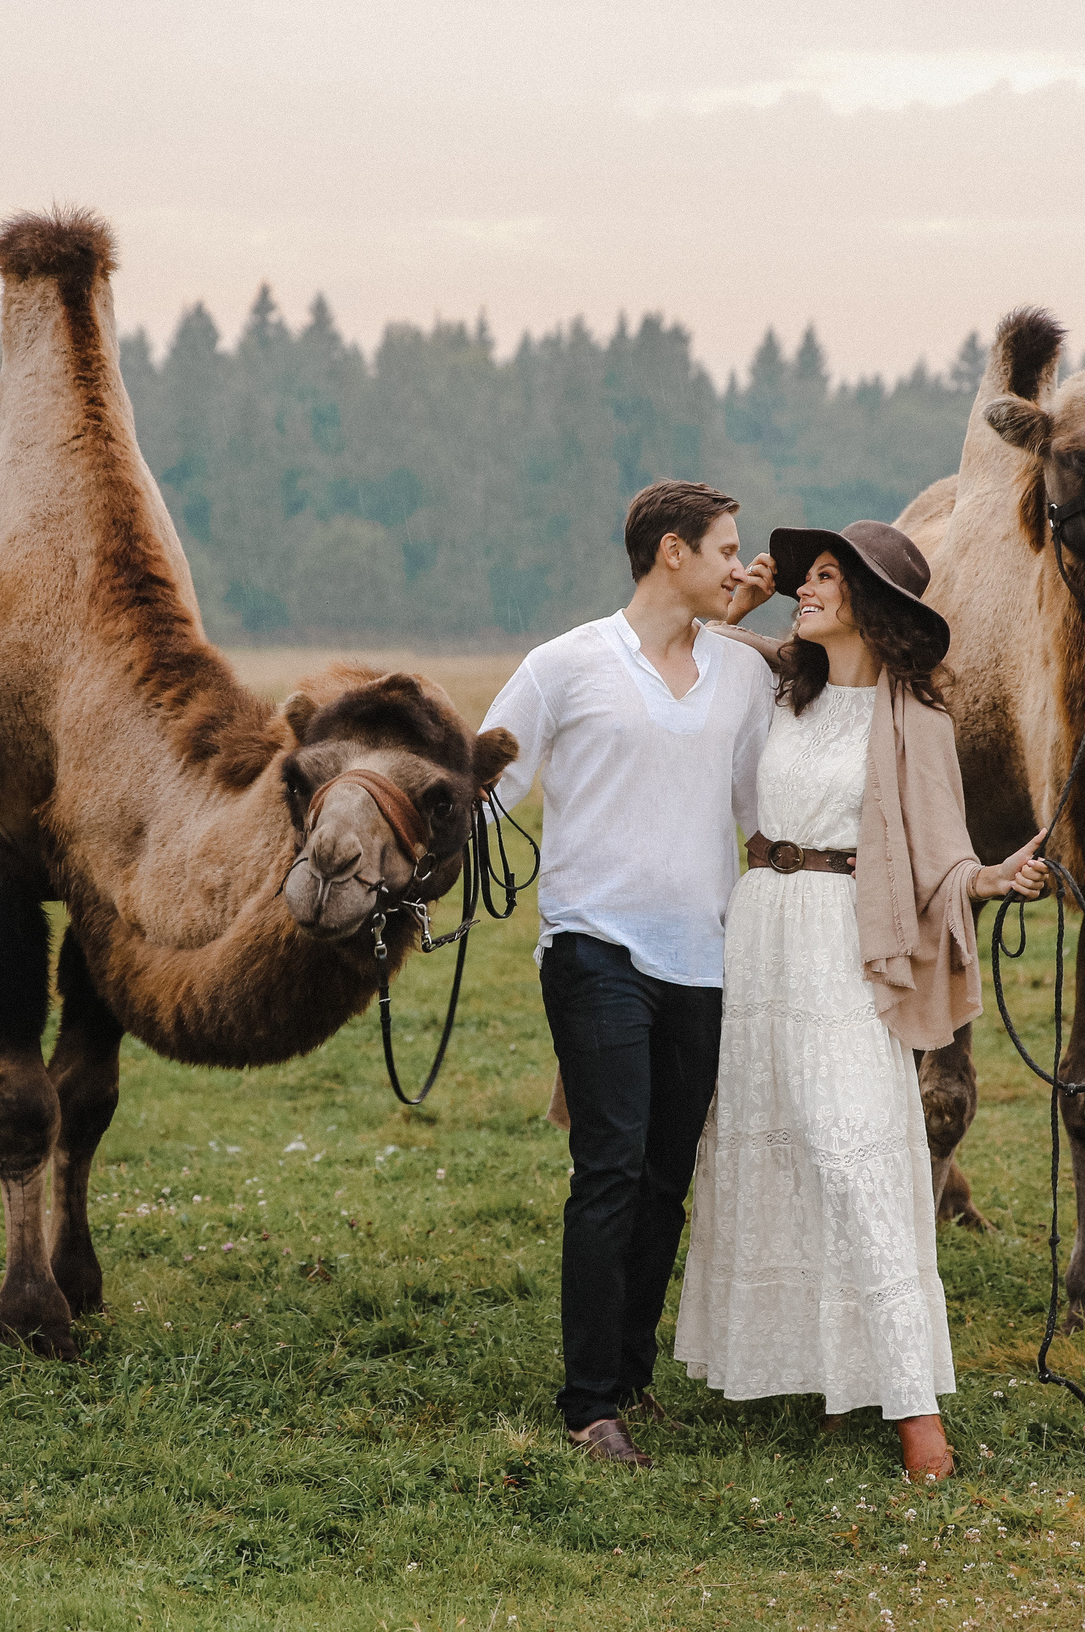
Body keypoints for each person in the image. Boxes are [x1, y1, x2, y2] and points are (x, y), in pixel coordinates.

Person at [675, 519, 1048, 1484]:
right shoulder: (774, 687)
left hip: (842, 941)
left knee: (855, 1151)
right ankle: (827, 1372)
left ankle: (914, 1404)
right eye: (805, 577)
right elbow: (681, 650)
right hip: (760, 934)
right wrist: (741, 602)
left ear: (872, 605)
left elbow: (945, 855)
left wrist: (994, 878)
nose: (805, 589)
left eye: (827, 577)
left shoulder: (915, 720)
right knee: (775, 1146)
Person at [479, 481, 779, 1468]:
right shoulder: (562, 666)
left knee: (663, 1175)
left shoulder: (742, 678)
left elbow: (759, 815)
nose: (741, 568)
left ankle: (631, 1372)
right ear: (670, 552)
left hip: (702, 956)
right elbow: (485, 789)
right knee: (609, 1163)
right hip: (592, 945)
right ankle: (589, 1404)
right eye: (726, 550)